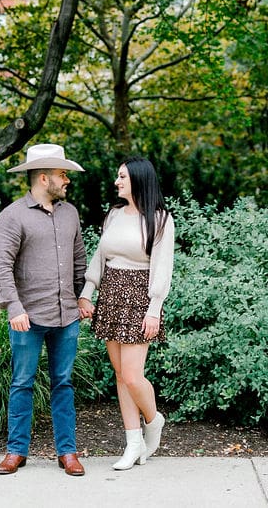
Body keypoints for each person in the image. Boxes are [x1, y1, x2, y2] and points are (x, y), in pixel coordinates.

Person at [0, 143, 88, 477]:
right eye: (63, 175)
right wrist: (13, 307)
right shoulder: (12, 216)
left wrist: (83, 296)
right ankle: (16, 451)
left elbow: (80, 261)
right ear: (44, 177)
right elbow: (1, 267)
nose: (68, 181)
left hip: (67, 317)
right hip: (27, 319)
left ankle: (68, 452)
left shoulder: (70, 213)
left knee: (63, 382)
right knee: (22, 382)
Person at [77, 156, 174, 471]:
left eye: (122, 177)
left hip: (139, 298)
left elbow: (162, 267)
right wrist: (87, 293)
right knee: (120, 375)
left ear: (138, 179)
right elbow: (100, 257)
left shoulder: (160, 219)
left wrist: (154, 309)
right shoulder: (114, 215)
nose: (117, 182)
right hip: (110, 295)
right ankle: (133, 443)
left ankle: (154, 419)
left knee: (133, 375)